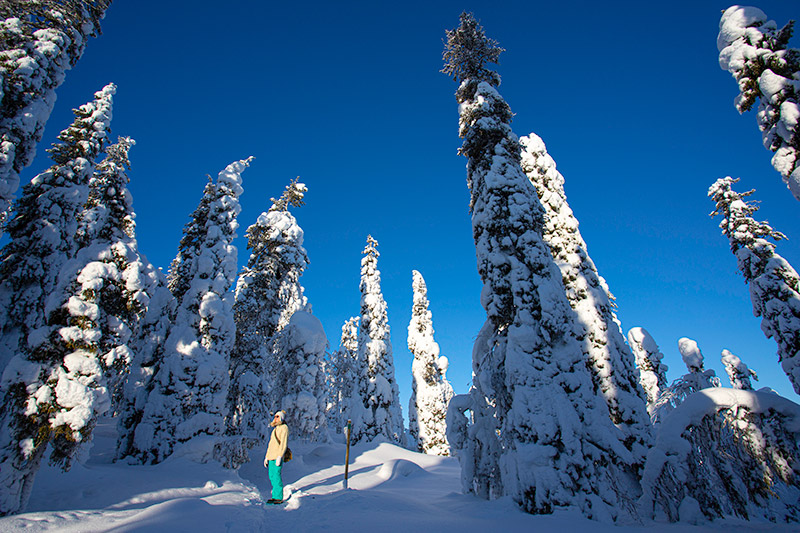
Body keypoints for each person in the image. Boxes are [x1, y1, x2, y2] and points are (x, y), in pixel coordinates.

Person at [264, 410, 288, 504]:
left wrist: (280, 456)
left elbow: (283, 443)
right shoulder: (275, 429)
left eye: (277, 417)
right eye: (275, 416)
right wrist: (267, 457)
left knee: (276, 476)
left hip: (277, 456)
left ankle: (278, 497)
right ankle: (274, 496)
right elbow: (271, 445)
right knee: (272, 476)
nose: (275, 418)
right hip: (271, 457)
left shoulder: (284, 428)